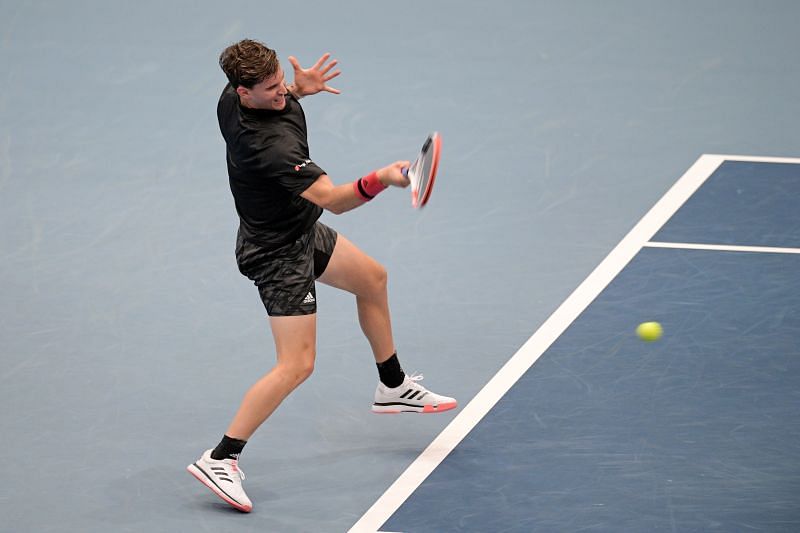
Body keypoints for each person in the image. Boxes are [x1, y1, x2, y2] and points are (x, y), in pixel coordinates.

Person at [187, 39, 457, 513]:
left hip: (295, 231)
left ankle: (392, 386)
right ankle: (221, 457)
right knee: (297, 365)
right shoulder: (269, 146)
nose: (280, 94)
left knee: (372, 278)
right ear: (242, 92)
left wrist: (299, 89)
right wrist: (383, 178)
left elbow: (282, 98)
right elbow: (334, 199)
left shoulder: (230, 100)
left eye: (279, 83)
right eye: (270, 89)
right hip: (276, 254)